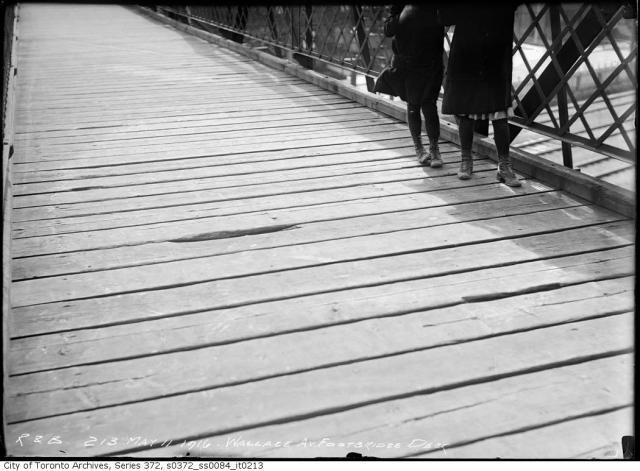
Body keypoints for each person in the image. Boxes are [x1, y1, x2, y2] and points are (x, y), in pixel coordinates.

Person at [440, 2, 522, 186]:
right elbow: (445, 17)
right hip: (468, 55)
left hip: (494, 55)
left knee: (500, 114)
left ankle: (504, 166)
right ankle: (466, 160)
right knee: (467, 112)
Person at [374, 4, 445, 167]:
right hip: (408, 63)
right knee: (413, 104)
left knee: (429, 105)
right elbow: (388, 30)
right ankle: (419, 148)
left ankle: (434, 149)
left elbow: (447, 19)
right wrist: (403, 15)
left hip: (431, 62)